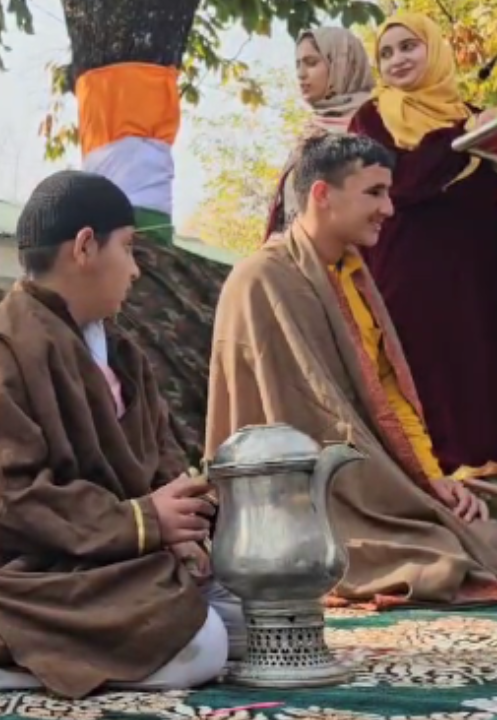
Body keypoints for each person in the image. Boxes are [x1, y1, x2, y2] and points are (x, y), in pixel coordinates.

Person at [0, 170, 243, 702]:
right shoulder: (0, 353)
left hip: (119, 558)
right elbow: (7, 500)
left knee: (255, 620)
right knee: (206, 646)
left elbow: (161, 458)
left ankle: (35, 653)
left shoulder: (119, 352)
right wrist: (142, 521)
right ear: (84, 246)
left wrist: (186, 533)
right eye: (127, 249)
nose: (136, 270)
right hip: (30, 572)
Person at [208, 132, 497, 609]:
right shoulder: (261, 279)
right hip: (309, 506)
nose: (389, 208)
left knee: (476, 516)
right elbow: (302, 418)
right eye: (374, 193)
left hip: (380, 481)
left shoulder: (352, 273)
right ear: (322, 195)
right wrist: (398, 492)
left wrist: (431, 479)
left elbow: (388, 392)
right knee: (441, 557)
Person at [347, 13, 497, 477]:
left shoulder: (475, 117)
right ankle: (431, 482)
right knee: (419, 375)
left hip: (478, 277)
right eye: (386, 53)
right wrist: (459, 142)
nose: (397, 60)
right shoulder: (371, 118)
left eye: (408, 47)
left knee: (480, 371)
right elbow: (403, 183)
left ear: (434, 51)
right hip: (408, 279)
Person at [264, 27, 374, 237]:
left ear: (341, 64)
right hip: (296, 261)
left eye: (311, 62)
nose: (301, 73)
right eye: (298, 64)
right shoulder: (313, 130)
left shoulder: (372, 123)